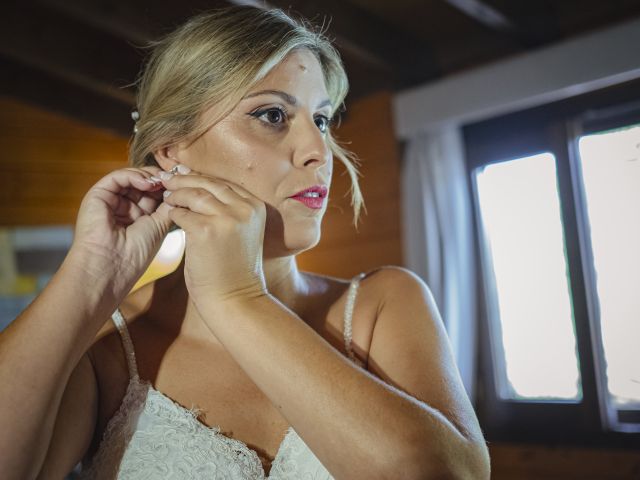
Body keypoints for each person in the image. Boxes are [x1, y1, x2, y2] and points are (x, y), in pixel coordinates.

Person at [0, 6, 490, 479]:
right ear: (173, 150)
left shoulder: (384, 305)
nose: (319, 151)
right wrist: (87, 276)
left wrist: (238, 299)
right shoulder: (106, 348)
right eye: (273, 115)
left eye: (320, 119)